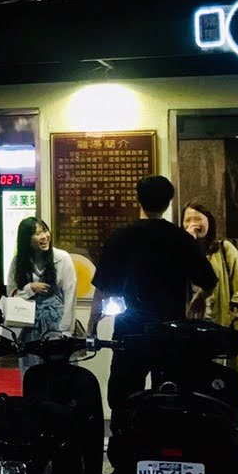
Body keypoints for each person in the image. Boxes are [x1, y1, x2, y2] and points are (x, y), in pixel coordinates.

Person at [88, 175, 218, 418]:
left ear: (139, 201)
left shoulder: (122, 236)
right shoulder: (180, 239)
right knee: (168, 396)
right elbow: (209, 280)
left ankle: (126, 445)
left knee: (124, 396)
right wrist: (198, 299)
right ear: (168, 203)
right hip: (169, 332)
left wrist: (92, 327)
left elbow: (103, 287)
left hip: (130, 331)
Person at [181, 201, 238, 390]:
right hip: (190, 329)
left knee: (223, 383)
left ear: (210, 222)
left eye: (198, 218)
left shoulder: (224, 249)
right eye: (187, 219)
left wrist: (233, 318)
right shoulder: (178, 252)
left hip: (221, 327)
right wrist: (187, 245)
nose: (193, 223)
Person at [6, 216, 78, 379]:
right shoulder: (18, 262)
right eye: (37, 234)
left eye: (45, 231)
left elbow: (70, 295)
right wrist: (30, 289)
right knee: (31, 371)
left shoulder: (62, 258)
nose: (44, 236)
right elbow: (11, 293)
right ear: (26, 239)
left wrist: (66, 331)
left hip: (55, 324)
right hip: (27, 326)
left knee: (59, 372)